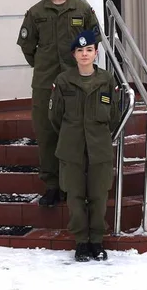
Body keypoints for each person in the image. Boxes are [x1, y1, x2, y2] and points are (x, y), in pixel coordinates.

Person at [17, 0, 100, 207]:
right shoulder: (36, 13)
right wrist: (43, 68)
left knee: (76, 134)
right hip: (46, 84)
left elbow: (94, 41)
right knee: (47, 133)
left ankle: (74, 184)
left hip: (78, 83)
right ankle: (52, 185)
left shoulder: (82, 10)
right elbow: (28, 47)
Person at [49, 29, 120, 262]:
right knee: (75, 197)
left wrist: (97, 134)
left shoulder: (107, 80)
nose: (85, 54)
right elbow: (55, 116)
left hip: (99, 148)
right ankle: (81, 242)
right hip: (72, 148)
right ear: (74, 55)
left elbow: (115, 115)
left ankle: (97, 241)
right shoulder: (63, 81)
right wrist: (72, 134)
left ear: (96, 53)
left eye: (89, 50)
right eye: (80, 51)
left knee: (99, 196)